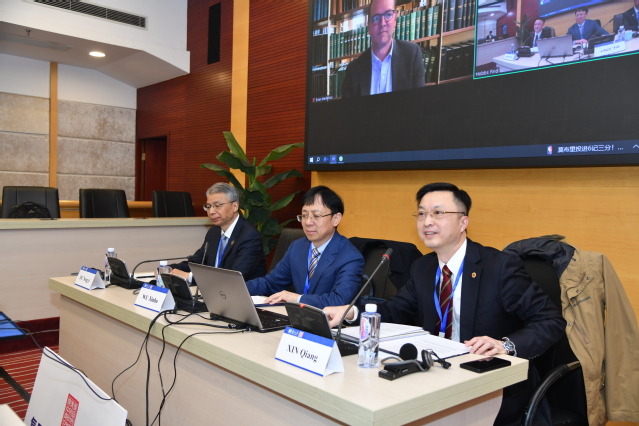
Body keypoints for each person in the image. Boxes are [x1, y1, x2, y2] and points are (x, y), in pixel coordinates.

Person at [324, 182, 565, 426]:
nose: (427, 221)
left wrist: (505, 345)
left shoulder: (499, 267)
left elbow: (551, 321)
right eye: (421, 214)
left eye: (438, 213)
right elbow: (393, 310)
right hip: (435, 375)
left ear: (463, 222)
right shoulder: (423, 267)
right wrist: (350, 312)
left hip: (491, 385)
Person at [245, 186, 364, 309]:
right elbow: (271, 283)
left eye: (316, 216)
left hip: (329, 320)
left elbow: (339, 300)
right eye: (304, 215)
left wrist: (297, 299)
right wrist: (238, 288)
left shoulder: (350, 257)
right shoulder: (297, 247)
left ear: (336, 219)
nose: (308, 222)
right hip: (299, 317)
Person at [169, 183, 266, 282]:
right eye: (208, 206)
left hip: (241, 290)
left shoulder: (249, 236)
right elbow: (196, 262)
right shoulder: (214, 232)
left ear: (235, 206)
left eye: (217, 206)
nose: (211, 211)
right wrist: (170, 268)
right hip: (213, 289)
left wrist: (189, 277)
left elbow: (235, 277)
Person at [341, 0, 425, 98]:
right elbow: (347, 108)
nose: (382, 23)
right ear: (369, 27)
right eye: (376, 18)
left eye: (388, 14)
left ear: (395, 19)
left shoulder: (412, 55)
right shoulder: (353, 69)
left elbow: (420, 103)